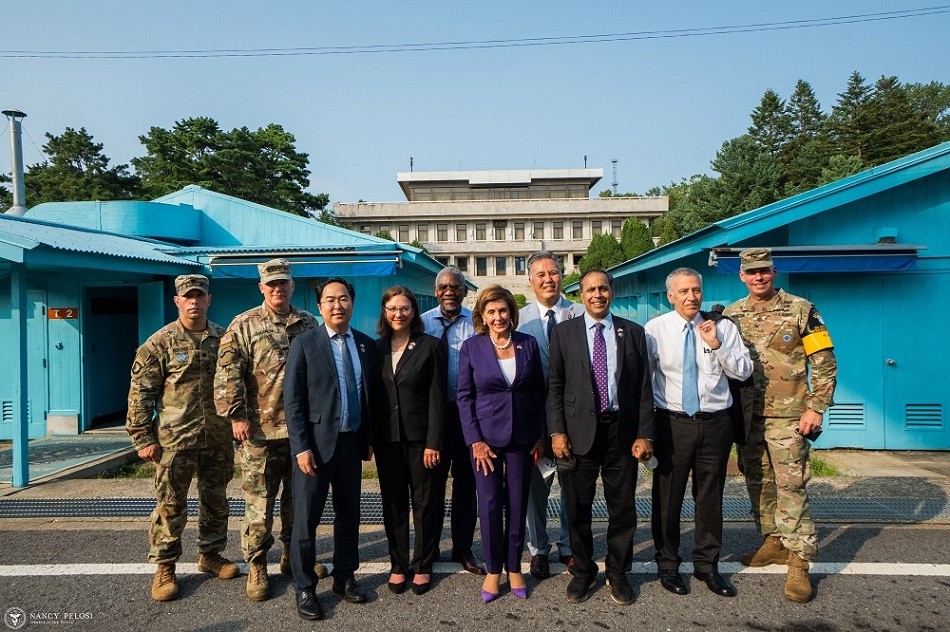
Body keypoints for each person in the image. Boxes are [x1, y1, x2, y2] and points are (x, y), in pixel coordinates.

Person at [723, 247, 837, 603]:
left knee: (791, 486)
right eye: (751, 272)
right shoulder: (731, 315)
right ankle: (773, 541)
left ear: (774, 272)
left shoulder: (801, 309)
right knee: (758, 483)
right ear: (742, 276)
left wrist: (816, 408)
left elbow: (824, 361)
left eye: (764, 271)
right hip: (748, 417)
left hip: (790, 416)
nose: (758, 277)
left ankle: (799, 561)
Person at [127, 274, 240, 602]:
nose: (194, 301)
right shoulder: (159, 343)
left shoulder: (225, 339)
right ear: (177, 301)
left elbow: (238, 383)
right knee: (170, 504)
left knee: (215, 499)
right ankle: (165, 565)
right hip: (175, 440)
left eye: (199, 295)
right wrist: (142, 437)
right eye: (187, 296)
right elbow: (141, 393)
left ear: (209, 300)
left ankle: (211, 554)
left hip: (217, 437)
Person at [547, 269, 655, 606]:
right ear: (581, 295)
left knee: (622, 508)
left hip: (621, 432)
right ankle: (583, 570)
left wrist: (644, 434)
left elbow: (644, 388)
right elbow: (555, 387)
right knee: (576, 507)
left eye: (603, 288)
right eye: (591, 289)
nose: (597, 294)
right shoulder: (564, 333)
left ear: (612, 292)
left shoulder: (632, 332)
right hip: (577, 433)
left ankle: (618, 571)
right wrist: (557, 431)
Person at [214, 258, 320, 602]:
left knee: (297, 500)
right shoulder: (243, 325)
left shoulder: (308, 322)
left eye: (283, 283)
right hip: (259, 431)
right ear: (261, 287)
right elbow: (227, 374)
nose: (278, 289)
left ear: (292, 286)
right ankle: (257, 563)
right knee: (259, 503)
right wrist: (236, 416)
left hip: (300, 432)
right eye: (271, 284)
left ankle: (293, 556)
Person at [644, 268, 752, 598]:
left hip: (716, 423)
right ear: (670, 297)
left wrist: (716, 345)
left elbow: (744, 371)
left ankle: (707, 565)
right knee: (668, 498)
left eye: (696, 290)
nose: (691, 297)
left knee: (710, 497)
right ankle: (667, 563)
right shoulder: (655, 330)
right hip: (672, 423)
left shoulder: (723, 327)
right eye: (684, 291)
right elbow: (643, 380)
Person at [284, 277, 376, 621]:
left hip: (351, 443)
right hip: (315, 447)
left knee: (349, 514)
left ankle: (344, 576)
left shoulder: (365, 344)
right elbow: (293, 400)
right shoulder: (305, 343)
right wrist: (301, 447)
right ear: (320, 306)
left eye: (344, 299)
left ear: (353, 302)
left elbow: (369, 395)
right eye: (330, 300)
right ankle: (305, 586)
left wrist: (368, 438)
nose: (338, 305)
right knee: (306, 518)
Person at [457, 285, 546, 602]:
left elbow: (538, 392)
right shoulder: (472, 347)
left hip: (523, 437)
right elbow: (464, 397)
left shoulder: (528, 343)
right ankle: (494, 570)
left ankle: (515, 567)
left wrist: (540, 434)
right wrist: (475, 440)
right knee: (490, 504)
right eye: (491, 311)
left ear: (512, 312)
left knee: (518, 503)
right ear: (482, 315)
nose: (498, 317)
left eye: (503, 310)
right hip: (485, 441)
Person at [371, 286, 447, 596]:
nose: (398, 314)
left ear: (413, 311)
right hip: (387, 439)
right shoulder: (375, 348)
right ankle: (399, 564)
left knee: (426, 503)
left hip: (421, 440)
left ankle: (423, 563)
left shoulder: (431, 346)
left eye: (404, 308)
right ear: (384, 312)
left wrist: (434, 441)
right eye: (392, 309)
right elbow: (372, 397)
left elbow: (438, 398)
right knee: (394, 504)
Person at [517, 251, 584, 579]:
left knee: (572, 485)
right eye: (541, 274)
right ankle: (539, 549)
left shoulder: (581, 313)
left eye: (554, 272)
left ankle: (569, 546)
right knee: (535, 489)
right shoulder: (518, 319)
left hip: (575, 417)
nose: (548, 279)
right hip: (532, 418)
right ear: (530, 280)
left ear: (563, 275)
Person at [420, 267, 486, 576]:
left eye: (455, 287)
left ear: (464, 291)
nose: (450, 291)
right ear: (436, 291)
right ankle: (429, 548)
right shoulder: (422, 323)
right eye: (444, 287)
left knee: (466, 484)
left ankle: (462, 547)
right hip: (433, 416)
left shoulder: (477, 323)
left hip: (468, 414)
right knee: (431, 485)